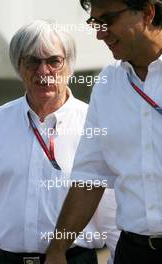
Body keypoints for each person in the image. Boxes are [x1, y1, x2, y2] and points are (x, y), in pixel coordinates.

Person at [0, 19, 119, 264]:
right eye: (32, 61)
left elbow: (112, 213)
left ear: (68, 65)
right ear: (19, 66)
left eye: (53, 61)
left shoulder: (95, 126)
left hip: (75, 259)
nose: (43, 71)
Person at [44, 1, 162, 264]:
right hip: (134, 253)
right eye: (94, 23)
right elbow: (90, 177)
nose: (99, 33)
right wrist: (57, 249)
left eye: (107, 20)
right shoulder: (107, 85)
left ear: (147, 12)